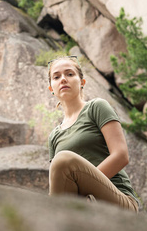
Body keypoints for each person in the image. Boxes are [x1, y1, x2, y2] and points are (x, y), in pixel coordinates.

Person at [47, 55, 139, 212]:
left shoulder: (97, 107)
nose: (63, 79)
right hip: (82, 210)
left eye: (69, 74)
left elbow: (121, 155)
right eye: (56, 77)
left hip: (117, 202)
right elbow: (59, 184)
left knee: (63, 160)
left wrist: (83, 193)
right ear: (51, 88)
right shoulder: (54, 136)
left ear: (82, 82)